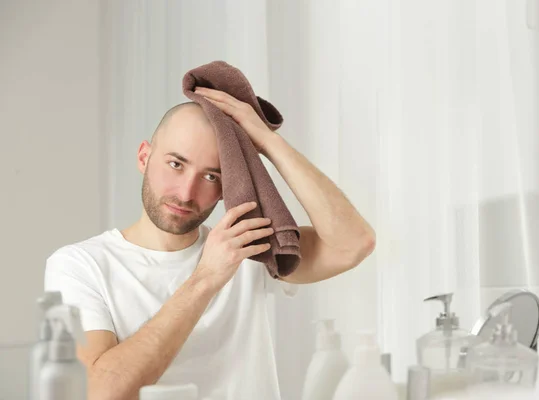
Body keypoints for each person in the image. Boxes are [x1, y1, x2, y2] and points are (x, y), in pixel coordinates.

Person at [44, 87, 375, 400]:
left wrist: (268, 142)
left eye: (211, 176)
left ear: (226, 187)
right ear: (144, 157)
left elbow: (353, 243)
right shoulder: (79, 265)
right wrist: (207, 277)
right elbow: (100, 392)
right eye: (176, 164)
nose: (187, 193)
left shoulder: (244, 247)